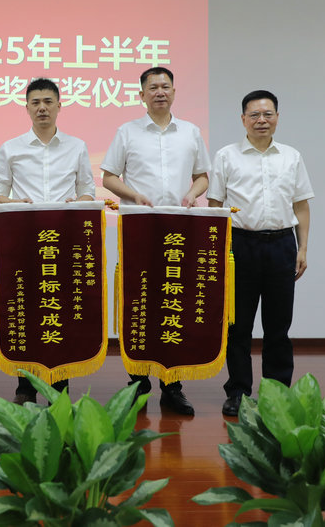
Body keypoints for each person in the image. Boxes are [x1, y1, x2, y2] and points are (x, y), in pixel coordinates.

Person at [100, 66, 211, 416]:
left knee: (173, 300)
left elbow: (203, 177)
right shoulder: (127, 132)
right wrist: (134, 195)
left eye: (165, 86)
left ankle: (171, 385)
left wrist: (192, 194)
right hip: (139, 226)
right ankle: (137, 380)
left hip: (180, 227)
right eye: (153, 87)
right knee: (139, 300)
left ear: (174, 92)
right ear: (142, 95)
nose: (160, 92)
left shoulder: (190, 132)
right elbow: (108, 177)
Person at [207, 90, 313, 418]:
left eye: (268, 114)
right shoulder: (226, 156)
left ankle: (276, 394)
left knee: (278, 326)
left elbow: (301, 205)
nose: (261, 120)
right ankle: (238, 391)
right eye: (254, 115)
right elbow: (215, 205)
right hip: (240, 245)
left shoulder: (291, 157)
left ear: (277, 118)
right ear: (243, 119)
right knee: (237, 327)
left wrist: (303, 247)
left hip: (282, 245)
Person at [0, 78, 95, 404]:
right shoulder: (11, 148)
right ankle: (25, 386)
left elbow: (87, 191)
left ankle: (59, 385)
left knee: (60, 310)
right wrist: (15, 204)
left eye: (48, 102)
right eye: (35, 102)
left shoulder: (77, 146)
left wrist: (77, 204)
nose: (42, 108)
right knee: (26, 309)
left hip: (63, 241)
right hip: (23, 241)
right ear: (27, 107)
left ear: (59, 106)